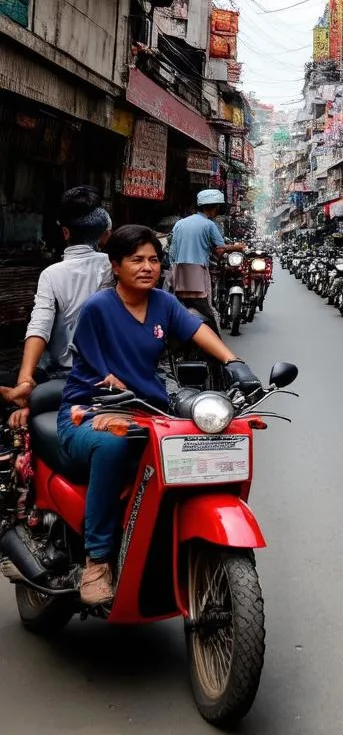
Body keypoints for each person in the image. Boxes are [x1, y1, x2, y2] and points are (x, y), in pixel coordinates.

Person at [57, 225, 258, 606]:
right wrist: (110, 392)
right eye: (136, 260)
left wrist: (235, 363)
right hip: (91, 410)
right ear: (115, 266)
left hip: (148, 410)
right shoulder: (98, 307)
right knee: (114, 446)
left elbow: (196, 328)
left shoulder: (164, 303)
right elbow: (102, 375)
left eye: (152, 259)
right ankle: (97, 559)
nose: (147, 267)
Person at [1, 187, 114, 428]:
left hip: (61, 374)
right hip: (109, 374)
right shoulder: (114, 267)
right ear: (105, 234)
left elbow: (39, 326)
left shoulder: (51, 274)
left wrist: (25, 377)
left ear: (65, 233)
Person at [168, 189, 245, 330]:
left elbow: (172, 252)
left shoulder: (180, 223)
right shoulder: (209, 225)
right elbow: (220, 249)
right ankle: (214, 347)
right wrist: (237, 247)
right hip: (198, 275)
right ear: (215, 207)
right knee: (208, 315)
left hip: (177, 274)